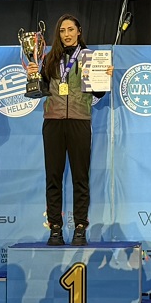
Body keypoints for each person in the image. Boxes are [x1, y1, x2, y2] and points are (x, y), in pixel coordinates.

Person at [26, 14, 112, 246]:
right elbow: (40, 90)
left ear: (79, 31)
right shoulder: (49, 58)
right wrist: (33, 75)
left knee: (80, 178)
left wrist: (104, 77)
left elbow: (98, 93)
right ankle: (55, 228)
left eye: (70, 29)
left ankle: (80, 228)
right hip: (53, 122)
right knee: (53, 177)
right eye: (62, 30)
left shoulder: (90, 58)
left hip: (79, 121)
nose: (66, 34)